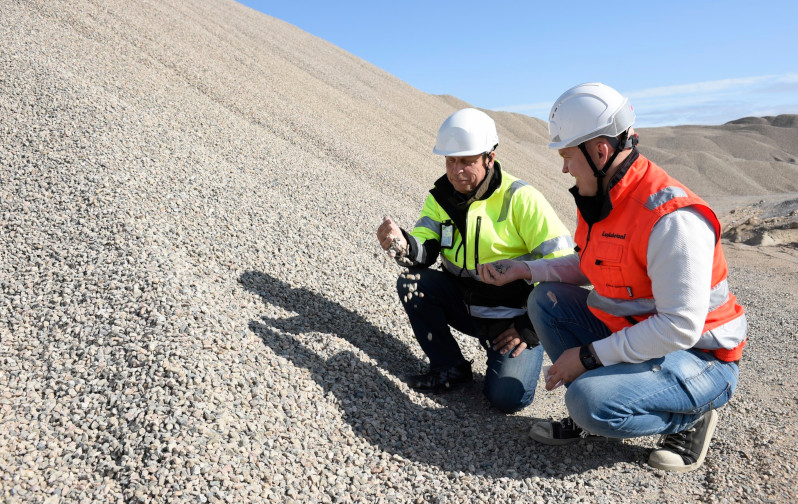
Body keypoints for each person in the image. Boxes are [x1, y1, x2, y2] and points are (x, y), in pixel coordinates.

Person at [478, 83, 747, 472]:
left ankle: (689, 417)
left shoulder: (672, 219)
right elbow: (589, 265)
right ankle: (603, 405)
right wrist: (525, 269)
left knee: (587, 402)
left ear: (600, 150)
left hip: (702, 356)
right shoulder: (603, 199)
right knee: (545, 298)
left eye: (568, 156)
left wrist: (587, 357)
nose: (564, 167)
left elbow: (680, 328)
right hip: (641, 336)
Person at [376, 108, 574, 413]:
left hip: (510, 319)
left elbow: (564, 265)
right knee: (413, 282)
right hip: (465, 306)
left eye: (467, 161)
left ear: (489, 158)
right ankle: (449, 366)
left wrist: (528, 326)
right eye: (450, 160)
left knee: (507, 400)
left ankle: (506, 358)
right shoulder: (441, 196)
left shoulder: (521, 198)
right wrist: (404, 245)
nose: (456, 171)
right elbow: (425, 247)